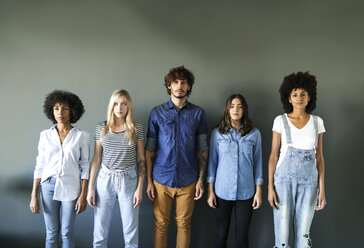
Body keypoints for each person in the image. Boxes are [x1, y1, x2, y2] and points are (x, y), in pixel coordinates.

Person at [145, 66, 208, 248]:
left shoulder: (198, 114)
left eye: (183, 82)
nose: (179, 86)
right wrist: (149, 181)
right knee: (161, 224)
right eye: (175, 82)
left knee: (183, 225)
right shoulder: (157, 113)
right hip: (161, 179)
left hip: (188, 179)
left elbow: (202, 150)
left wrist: (200, 180)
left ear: (189, 87)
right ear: (169, 86)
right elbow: (149, 150)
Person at [268, 72, 327, 247]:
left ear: (310, 97)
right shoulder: (280, 121)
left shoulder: (317, 122)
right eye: (295, 94)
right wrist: (270, 187)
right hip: (283, 182)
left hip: (310, 184)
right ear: (289, 98)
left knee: (303, 236)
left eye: (303, 94)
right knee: (283, 237)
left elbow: (319, 158)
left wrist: (321, 190)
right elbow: (273, 156)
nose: (299, 98)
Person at [29, 90, 90, 248]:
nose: (60, 112)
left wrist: (83, 194)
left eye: (65, 108)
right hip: (48, 186)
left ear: (72, 111)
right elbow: (40, 164)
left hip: (71, 186)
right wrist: (34, 194)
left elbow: (85, 165)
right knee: (51, 233)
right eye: (56, 108)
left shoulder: (81, 136)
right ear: (51, 110)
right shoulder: (45, 136)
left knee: (67, 232)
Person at [87, 89, 145, 248]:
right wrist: (90, 188)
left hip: (129, 179)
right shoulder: (102, 128)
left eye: (124, 103)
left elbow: (141, 159)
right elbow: (96, 158)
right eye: (116, 104)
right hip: (105, 179)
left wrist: (140, 188)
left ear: (129, 106)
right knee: (100, 231)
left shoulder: (136, 128)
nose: (119, 107)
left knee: (131, 233)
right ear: (111, 106)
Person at [207, 94, 263, 248]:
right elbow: (212, 164)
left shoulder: (254, 134)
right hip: (222, 191)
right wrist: (210, 191)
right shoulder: (217, 134)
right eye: (232, 106)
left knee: (242, 236)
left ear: (244, 109)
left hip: (246, 192)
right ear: (227, 109)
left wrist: (258, 191)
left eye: (239, 106)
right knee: (220, 234)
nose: (235, 109)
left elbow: (258, 163)